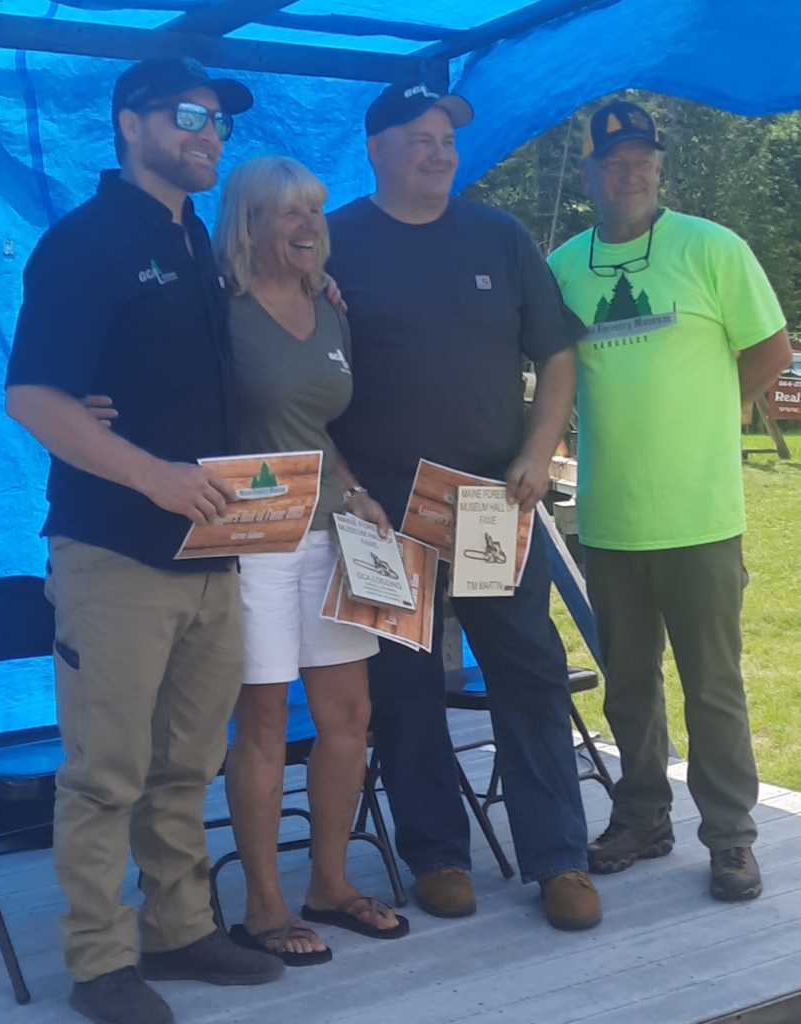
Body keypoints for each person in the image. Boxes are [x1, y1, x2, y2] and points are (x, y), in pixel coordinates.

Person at [5, 58, 283, 1024]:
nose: (209, 133)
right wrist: (154, 474)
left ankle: (180, 929)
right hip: (116, 552)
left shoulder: (196, 238)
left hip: (211, 554)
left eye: (220, 122)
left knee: (185, 764)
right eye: (189, 115)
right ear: (131, 125)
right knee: (104, 773)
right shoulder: (83, 243)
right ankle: (99, 963)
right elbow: (34, 395)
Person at [326, 80, 603, 931]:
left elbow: (557, 355)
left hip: (487, 504)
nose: (439, 151)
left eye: (447, 137)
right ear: (376, 149)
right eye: (419, 137)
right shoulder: (330, 243)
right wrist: (345, 486)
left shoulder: (499, 235)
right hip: (380, 514)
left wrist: (533, 451)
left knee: (528, 672)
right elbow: (296, 383)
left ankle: (559, 858)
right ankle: (437, 853)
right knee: (401, 687)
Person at [548, 99, 792, 902]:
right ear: (588, 172)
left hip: (700, 516)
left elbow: (769, 349)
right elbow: (549, 371)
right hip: (610, 517)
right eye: (612, 159)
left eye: (641, 158)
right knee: (628, 682)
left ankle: (729, 837)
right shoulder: (563, 267)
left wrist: (712, 420)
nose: (629, 171)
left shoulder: (713, 248)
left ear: (659, 166)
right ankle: (644, 815)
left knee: (712, 684)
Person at [210, 155, 409, 965]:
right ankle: (264, 907)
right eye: (288, 212)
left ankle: (330, 884)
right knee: (260, 719)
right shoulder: (216, 308)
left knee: (349, 718)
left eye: (316, 211)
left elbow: (320, 429)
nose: (308, 225)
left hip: (333, 532)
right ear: (248, 223)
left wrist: (357, 493)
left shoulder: (332, 311)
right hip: (253, 539)